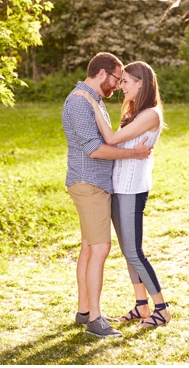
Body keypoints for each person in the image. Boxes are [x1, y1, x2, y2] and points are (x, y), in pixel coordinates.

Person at [62, 52, 152, 338]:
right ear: (102, 73)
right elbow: (95, 149)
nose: (117, 86)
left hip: (96, 183)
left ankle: (84, 310)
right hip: (89, 184)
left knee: (89, 247)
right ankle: (96, 321)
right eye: (116, 79)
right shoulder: (79, 102)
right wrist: (134, 153)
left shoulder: (93, 99)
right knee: (101, 248)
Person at [74, 61, 170, 329]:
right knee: (128, 253)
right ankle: (141, 306)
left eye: (126, 81)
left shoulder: (151, 114)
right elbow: (114, 141)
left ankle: (161, 308)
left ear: (141, 83)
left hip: (132, 190)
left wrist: (93, 104)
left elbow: (112, 140)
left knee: (134, 251)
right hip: (119, 189)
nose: (120, 86)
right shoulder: (134, 111)